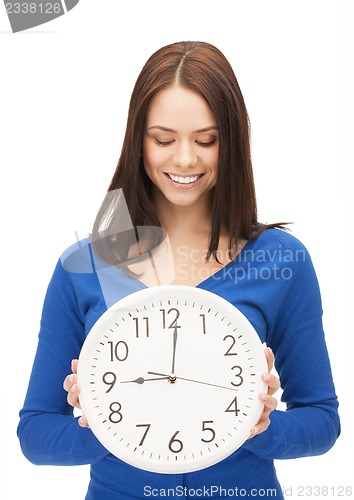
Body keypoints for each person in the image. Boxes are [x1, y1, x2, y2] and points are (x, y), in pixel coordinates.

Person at [17, 41, 340, 499]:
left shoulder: (281, 260)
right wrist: (107, 423)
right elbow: (35, 434)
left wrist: (260, 424)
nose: (185, 159)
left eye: (205, 140)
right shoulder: (85, 267)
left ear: (231, 141)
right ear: (137, 140)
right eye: (163, 139)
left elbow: (323, 420)